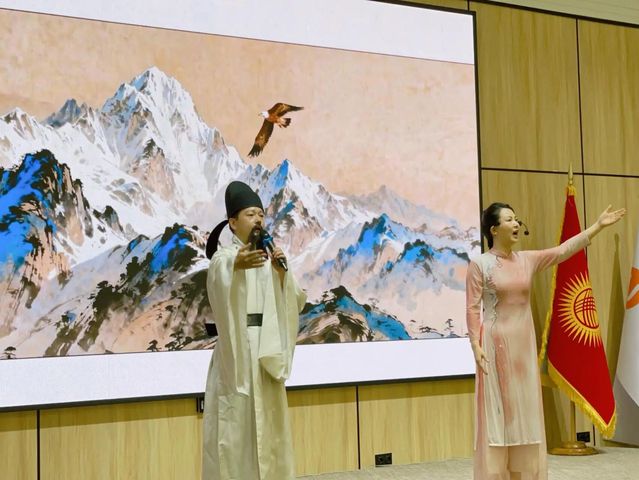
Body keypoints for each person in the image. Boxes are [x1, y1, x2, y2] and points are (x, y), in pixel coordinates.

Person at [465, 202, 625, 480]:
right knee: (500, 411)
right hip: (495, 344)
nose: (516, 224)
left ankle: (522, 473)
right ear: (493, 230)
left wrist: (597, 227)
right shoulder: (480, 264)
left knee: (524, 410)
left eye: (516, 219)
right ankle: (496, 473)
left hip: (523, 346)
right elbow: (471, 307)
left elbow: (563, 251)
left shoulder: (527, 260)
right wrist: (475, 345)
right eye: (508, 220)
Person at [201, 181, 306, 480]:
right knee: (235, 433)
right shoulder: (224, 257)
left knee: (270, 428)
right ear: (233, 222)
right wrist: (236, 264)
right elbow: (218, 278)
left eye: (261, 214)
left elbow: (297, 301)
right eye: (250, 214)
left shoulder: (270, 258)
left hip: (266, 349)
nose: (258, 219)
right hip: (238, 352)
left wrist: (282, 274)